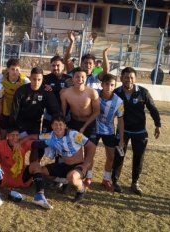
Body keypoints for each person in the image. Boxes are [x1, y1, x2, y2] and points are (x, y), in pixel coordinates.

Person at [23, 115, 96, 208]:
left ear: (65, 125)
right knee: (42, 171)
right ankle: (65, 181)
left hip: (79, 166)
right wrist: (19, 142)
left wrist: (85, 165)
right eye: (55, 124)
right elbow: (32, 136)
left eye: (60, 124)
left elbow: (92, 146)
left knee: (73, 177)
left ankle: (81, 190)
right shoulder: (50, 135)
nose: (58, 127)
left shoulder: (74, 134)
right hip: (65, 165)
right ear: (52, 126)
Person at [112, 67, 161, 195]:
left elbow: (152, 108)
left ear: (135, 78)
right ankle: (115, 181)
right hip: (123, 131)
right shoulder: (116, 92)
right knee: (119, 156)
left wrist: (158, 124)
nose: (129, 80)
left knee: (138, 158)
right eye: (126, 77)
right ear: (121, 78)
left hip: (139, 132)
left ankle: (135, 183)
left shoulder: (143, 92)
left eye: (131, 77)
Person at [60, 68, 100, 187]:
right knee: (73, 151)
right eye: (77, 77)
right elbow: (63, 112)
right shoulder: (65, 93)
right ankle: (71, 175)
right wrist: (64, 126)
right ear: (72, 78)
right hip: (74, 123)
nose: (80, 79)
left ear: (86, 78)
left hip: (89, 123)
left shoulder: (92, 92)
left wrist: (84, 127)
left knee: (89, 151)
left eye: (82, 77)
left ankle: (88, 175)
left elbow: (97, 112)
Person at [95, 74, 124, 191]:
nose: (109, 87)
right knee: (89, 154)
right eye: (106, 84)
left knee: (111, 156)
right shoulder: (95, 94)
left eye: (112, 85)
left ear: (115, 86)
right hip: (94, 129)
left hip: (109, 131)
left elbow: (121, 121)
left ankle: (106, 179)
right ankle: (88, 177)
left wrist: (121, 138)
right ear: (102, 85)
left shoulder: (119, 101)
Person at [10, 67, 60, 136]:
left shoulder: (46, 91)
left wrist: (56, 126)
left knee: (33, 144)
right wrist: (14, 129)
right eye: (34, 79)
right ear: (30, 78)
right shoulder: (21, 91)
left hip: (35, 125)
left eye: (39, 79)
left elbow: (55, 110)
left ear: (42, 79)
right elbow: (14, 112)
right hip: (20, 125)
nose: (36, 82)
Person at [0, 127, 33, 200]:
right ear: (8, 136)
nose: (15, 137)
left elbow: (37, 144)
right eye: (12, 135)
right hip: (5, 176)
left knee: (35, 166)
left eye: (17, 135)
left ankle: (40, 194)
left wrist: (27, 139)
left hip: (20, 175)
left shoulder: (23, 143)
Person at [0, 58, 30, 139]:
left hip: (18, 113)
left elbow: (35, 86)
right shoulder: (1, 78)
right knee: (3, 137)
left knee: (16, 137)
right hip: (5, 112)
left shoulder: (25, 80)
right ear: (8, 69)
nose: (14, 72)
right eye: (12, 69)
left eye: (17, 69)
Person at [42, 55, 72, 133]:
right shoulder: (45, 79)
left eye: (58, 65)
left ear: (63, 66)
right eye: (53, 65)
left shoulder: (69, 79)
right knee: (46, 139)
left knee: (64, 139)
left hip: (65, 115)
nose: (55, 68)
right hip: (49, 115)